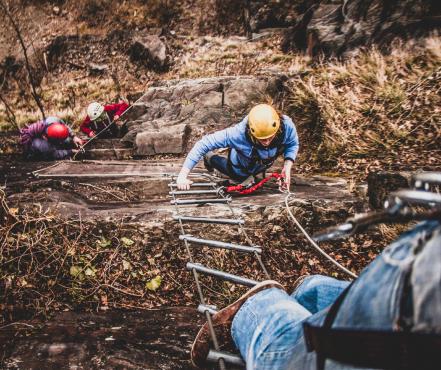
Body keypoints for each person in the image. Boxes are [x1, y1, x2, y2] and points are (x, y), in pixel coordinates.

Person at [191, 219, 441, 369]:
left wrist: (287, 163)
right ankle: (253, 311)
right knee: (285, 350)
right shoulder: (239, 135)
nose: (266, 142)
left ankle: (312, 291)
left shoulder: (284, 131)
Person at [176, 104, 299, 191]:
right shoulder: (238, 134)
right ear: (251, 132)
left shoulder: (287, 126)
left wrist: (287, 167)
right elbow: (203, 143)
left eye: (269, 138)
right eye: (261, 139)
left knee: (254, 179)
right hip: (239, 166)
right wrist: (182, 176)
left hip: (261, 165)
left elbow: (292, 144)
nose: (266, 142)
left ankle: (253, 174)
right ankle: (209, 157)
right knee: (237, 175)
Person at [19, 116, 84, 160]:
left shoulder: (52, 120)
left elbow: (64, 126)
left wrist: (74, 137)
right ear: (45, 137)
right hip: (39, 152)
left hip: (49, 142)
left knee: (68, 140)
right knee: (61, 146)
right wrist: (70, 151)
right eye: (59, 141)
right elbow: (55, 154)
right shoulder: (42, 146)